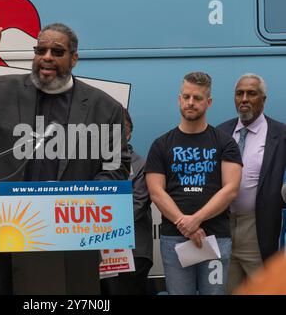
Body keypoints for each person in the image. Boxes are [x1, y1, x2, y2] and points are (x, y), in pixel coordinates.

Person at [0, 12, 130, 294]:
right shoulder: (2, 89)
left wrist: (78, 201)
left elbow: (116, 167)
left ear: (74, 59)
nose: (47, 57)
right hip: (7, 227)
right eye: (40, 50)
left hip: (71, 232)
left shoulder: (104, 108)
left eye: (57, 51)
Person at [145, 72, 242, 295]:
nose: (191, 103)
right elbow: (156, 192)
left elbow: (231, 189)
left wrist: (196, 220)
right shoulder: (161, 144)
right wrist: (184, 223)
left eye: (197, 98)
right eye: (186, 97)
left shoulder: (225, 143)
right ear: (179, 99)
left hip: (215, 237)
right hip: (174, 239)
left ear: (208, 102)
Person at [216, 73, 286, 293]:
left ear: (263, 99)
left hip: (258, 227)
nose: (244, 98)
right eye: (239, 93)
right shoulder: (220, 132)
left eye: (251, 93)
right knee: (226, 288)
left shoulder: (281, 135)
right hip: (222, 227)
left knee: (263, 288)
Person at [101, 108, 153, 295]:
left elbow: (138, 204)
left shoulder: (141, 165)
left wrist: (101, 225)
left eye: (122, 129)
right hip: (97, 251)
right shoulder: (93, 164)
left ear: (129, 133)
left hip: (132, 252)